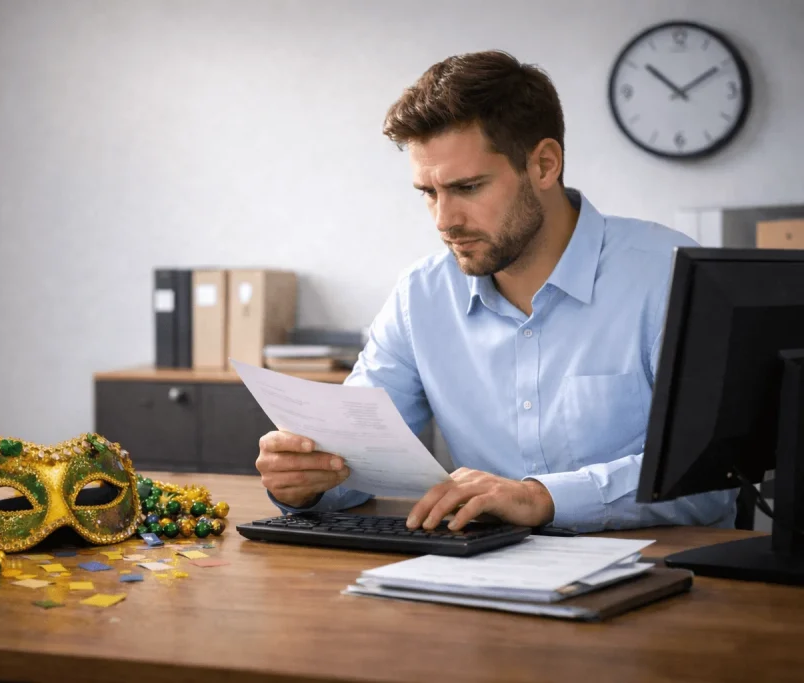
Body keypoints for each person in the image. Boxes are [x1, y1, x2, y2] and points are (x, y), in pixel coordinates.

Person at [255, 50, 738, 533]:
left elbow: (712, 480)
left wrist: (541, 498)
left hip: (659, 568)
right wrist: (305, 480)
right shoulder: (420, 297)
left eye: (467, 187)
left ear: (544, 165)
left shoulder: (670, 274)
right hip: (480, 566)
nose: (444, 221)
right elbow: (354, 461)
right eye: (429, 193)